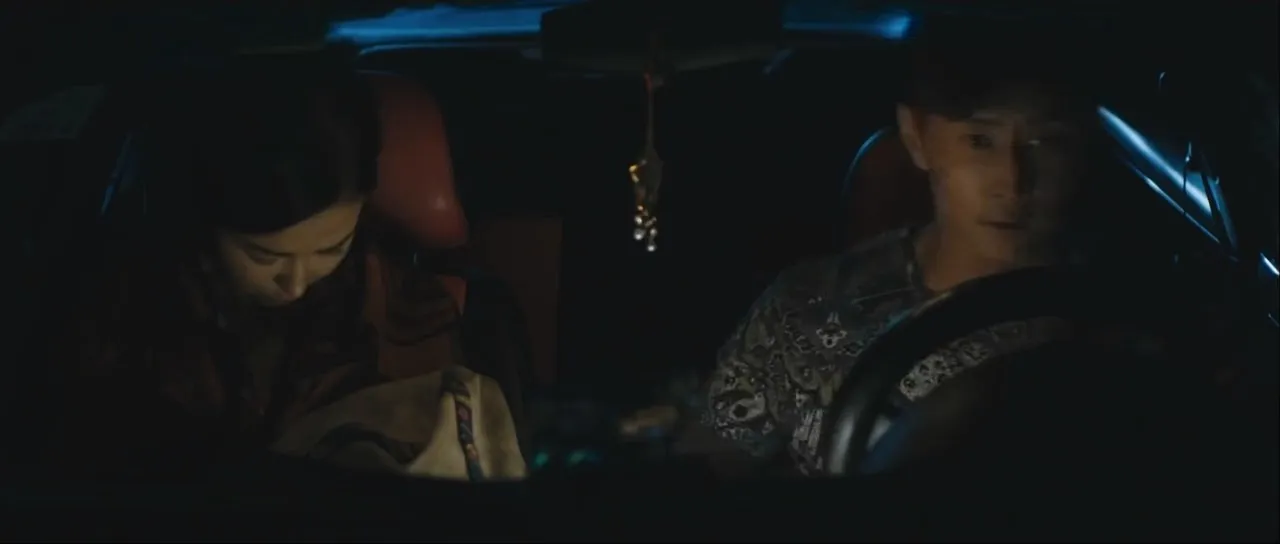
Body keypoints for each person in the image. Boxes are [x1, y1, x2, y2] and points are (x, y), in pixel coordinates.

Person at [38, 60, 525, 480]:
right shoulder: (126, 308)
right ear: (204, 222)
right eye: (263, 257)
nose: (294, 285)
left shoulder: (406, 312)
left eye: (332, 249)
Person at [680, 20, 1111, 475]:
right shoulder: (811, 310)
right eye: (979, 141)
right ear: (916, 136)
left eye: (1047, 142)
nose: (1013, 180)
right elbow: (708, 469)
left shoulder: (1120, 324)